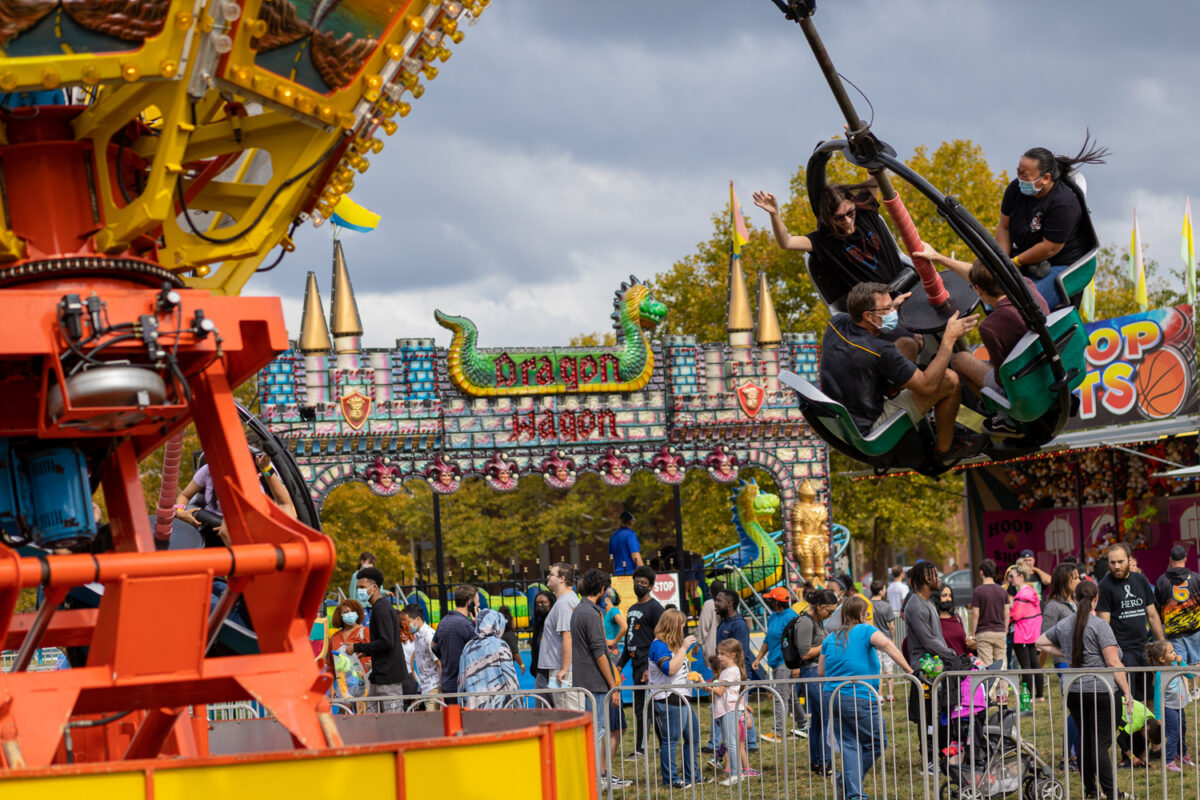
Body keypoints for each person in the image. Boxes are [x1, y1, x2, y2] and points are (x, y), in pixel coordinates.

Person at [819, 282, 982, 465]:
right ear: (868, 315)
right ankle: (944, 450)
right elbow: (928, 387)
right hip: (870, 430)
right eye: (886, 308)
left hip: (846, 412)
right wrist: (948, 339)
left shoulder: (838, 323)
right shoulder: (882, 352)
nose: (891, 312)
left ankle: (893, 389)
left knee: (907, 345)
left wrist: (893, 307)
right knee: (949, 380)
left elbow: (867, 341)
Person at [1037, 580, 1134, 800]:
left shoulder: (1065, 625)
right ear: (1096, 599)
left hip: (1075, 690)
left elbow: (1040, 642)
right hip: (1102, 690)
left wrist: (1068, 654)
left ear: (1075, 599)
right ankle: (1112, 793)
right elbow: (1113, 663)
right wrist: (1127, 692)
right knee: (1100, 744)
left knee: (1085, 740)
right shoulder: (1100, 625)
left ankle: (1091, 791)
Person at [931, 260, 1050, 436]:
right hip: (1046, 369)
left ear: (978, 290)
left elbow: (1002, 379)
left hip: (1021, 387)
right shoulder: (1028, 286)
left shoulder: (990, 326)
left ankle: (1004, 418)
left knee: (960, 360)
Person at [753, 181, 908, 306]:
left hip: (906, 284)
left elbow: (876, 176)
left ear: (854, 204)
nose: (847, 221)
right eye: (839, 218)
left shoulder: (865, 212)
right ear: (828, 218)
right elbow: (786, 242)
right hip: (880, 308)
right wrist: (775, 214)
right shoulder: (824, 241)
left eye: (850, 213)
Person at [820, 596, 915, 800]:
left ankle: (853, 793)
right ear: (862, 615)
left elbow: (821, 671)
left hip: (832, 696)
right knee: (877, 742)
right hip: (859, 696)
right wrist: (909, 670)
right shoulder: (865, 630)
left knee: (849, 745)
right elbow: (888, 645)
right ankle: (847, 783)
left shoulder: (830, 638)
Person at [995, 138, 1108, 309]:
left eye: (1025, 175)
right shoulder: (1014, 190)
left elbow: (1050, 248)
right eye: (1018, 172)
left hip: (1065, 264)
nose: (1020, 179)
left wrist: (1016, 262)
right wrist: (1002, 261)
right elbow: (1004, 227)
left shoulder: (1063, 204)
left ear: (1045, 178)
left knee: (1025, 306)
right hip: (1028, 258)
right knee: (993, 292)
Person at [570, 568, 630, 789]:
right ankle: (594, 781)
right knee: (598, 732)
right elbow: (599, 652)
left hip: (587, 682)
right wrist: (613, 684)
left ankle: (593, 779)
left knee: (595, 732)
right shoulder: (590, 613)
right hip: (595, 683)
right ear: (603, 590)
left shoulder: (579, 610)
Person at [903, 562, 959, 775]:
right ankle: (928, 761)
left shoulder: (927, 603)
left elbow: (937, 638)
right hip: (925, 666)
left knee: (940, 713)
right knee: (927, 717)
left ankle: (942, 755)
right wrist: (951, 654)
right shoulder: (915, 605)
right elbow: (928, 641)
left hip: (935, 663)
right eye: (935, 575)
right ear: (926, 578)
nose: (939, 579)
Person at [1097, 543, 1165, 702]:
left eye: (1120, 561)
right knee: (1128, 699)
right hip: (1122, 652)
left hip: (1144, 648)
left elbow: (1153, 615)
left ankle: (1149, 726)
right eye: (1112, 562)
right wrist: (1111, 655)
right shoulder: (1104, 586)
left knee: (1149, 694)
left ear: (1129, 560)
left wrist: (1161, 643)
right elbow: (1103, 625)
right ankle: (1132, 727)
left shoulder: (1140, 580)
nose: (1116, 566)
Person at [347, 567, 416, 712]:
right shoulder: (379, 608)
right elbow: (384, 642)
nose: (359, 591)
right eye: (358, 587)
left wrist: (358, 648)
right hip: (378, 677)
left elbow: (386, 642)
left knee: (393, 723)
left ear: (374, 588)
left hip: (389, 679)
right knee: (373, 722)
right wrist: (366, 652)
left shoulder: (382, 609)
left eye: (362, 587)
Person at [648, 608, 701, 788]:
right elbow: (669, 670)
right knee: (671, 740)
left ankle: (692, 775)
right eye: (681, 627)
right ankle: (671, 780)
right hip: (669, 698)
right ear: (673, 626)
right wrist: (685, 647)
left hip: (682, 697)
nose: (683, 631)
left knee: (693, 737)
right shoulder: (658, 645)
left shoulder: (673, 645)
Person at [791, 588, 838, 775]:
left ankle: (818, 762)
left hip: (817, 674)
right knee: (827, 719)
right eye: (829, 611)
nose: (830, 615)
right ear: (819, 606)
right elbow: (804, 653)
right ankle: (826, 763)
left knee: (818, 721)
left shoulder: (817, 621)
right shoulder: (805, 622)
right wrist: (828, 644)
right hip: (811, 674)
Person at [618, 564, 664, 757]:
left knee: (648, 708)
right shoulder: (632, 609)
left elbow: (660, 638)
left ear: (651, 586)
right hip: (635, 665)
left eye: (643, 583)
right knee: (642, 708)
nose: (639, 585)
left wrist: (650, 666)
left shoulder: (655, 608)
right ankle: (651, 746)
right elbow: (630, 639)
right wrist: (620, 663)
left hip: (648, 666)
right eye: (637, 582)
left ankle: (649, 747)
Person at [1042, 562, 1081, 769]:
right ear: (1064, 581)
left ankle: (1075, 754)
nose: (1078, 581)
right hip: (1065, 664)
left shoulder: (1074, 602)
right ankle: (1067, 758)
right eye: (1074, 578)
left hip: (1078, 662)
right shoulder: (1053, 606)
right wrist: (1065, 653)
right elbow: (1044, 639)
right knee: (1075, 710)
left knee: (1079, 709)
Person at [703, 639, 758, 786]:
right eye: (719, 653)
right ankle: (735, 772)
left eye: (722, 654)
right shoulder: (727, 671)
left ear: (733, 655)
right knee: (728, 743)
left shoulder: (731, 671)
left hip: (730, 710)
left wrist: (705, 686)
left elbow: (720, 691)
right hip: (726, 710)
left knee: (732, 744)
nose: (719, 657)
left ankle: (736, 774)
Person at [751, 587, 799, 743]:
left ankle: (777, 732)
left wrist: (797, 664)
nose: (768, 601)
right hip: (775, 662)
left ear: (777, 602)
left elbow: (797, 641)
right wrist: (758, 658)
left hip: (786, 662)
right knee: (789, 696)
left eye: (770, 599)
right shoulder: (772, 618)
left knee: (780, 697)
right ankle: (804, 723)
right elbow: (767, 641)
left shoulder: (792, 617)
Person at [458, 607, 520, 709]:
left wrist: (461, 704)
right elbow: (511, 680)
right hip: (498, 705)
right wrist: (518, 705)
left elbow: (461, 681)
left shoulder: (467, 647)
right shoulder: (500, 645)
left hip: (474, 706)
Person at [538, 562, 581, 709]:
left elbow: (567, 636)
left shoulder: (565, 602)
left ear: (562, 578)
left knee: (569, 713)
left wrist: (563, 669)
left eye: (551, 574)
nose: (548, 577)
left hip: (562, 671)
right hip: (561, 668)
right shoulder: (566, 600)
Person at [1148, 640, 1193, 771]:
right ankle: (1169, 761)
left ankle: (1182, 754)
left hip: (1180, 705)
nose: (1175, 653)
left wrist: (1181, 662)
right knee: (1173, 733)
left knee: (1182, 730)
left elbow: (1189, 675)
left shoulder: (1176, 665)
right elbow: (1157, 696)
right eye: (1171, 652)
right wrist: (1158, 716)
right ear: (1162, 659)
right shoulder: (1160, 674)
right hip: (1169, 708)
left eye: (1174, 650)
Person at [432, 584, 478, 704]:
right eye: (477, 602)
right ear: (470, 603)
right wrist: (477, 624)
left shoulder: (443, 621)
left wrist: (445, 657)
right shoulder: (466, 625)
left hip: (448, 684)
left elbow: (433, 645)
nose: (478, 606)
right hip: (463, 686)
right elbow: (479, 651)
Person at [1154, 544, 1200, 666]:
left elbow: (1157, 609)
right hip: (1195, 630)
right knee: (1197, 665)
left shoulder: (1162, 581)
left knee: (1179, 667)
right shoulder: (1196, 578)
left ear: (1170, 559)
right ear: (1185, 559)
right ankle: (1197, 685)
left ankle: (1184, 686)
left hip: (1174, 632)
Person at [1009, 564, 1044, 700]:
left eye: (1012, 576)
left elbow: (1015, 615)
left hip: (1022, 634)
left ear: (1021, 577)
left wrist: (1007, 617)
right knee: (1035, 664)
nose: (1010, 579)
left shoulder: (1021, 595)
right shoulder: (1032, 592)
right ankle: (1039, 695)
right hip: (1032, 634)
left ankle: (1027, 697)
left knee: (1026, 667)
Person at [969, 558, 1010, 667]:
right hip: (1000, 631)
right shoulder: (1002, 591)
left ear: (981, 572)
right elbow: (1007, 612)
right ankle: (1003, 684)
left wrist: (973, 632)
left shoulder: (978, 591)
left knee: (986, 664)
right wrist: (1005, 628)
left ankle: (990, 685)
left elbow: (975, 614)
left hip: (984, 632)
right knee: (1002, 663)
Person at [400, 603, 439, 697]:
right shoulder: (417, 636)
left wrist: (441, 692)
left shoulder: (429, 636)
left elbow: (439, 664)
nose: (406, 625)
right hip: (425, 688)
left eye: (408, 622)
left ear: (417, 619)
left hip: (434, 688)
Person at [869, 580, 898, 702]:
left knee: (877, 669)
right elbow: (891, 625)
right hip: (885, 639)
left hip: (873, 641)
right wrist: (892, 638)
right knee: (888, 668)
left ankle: (879, 695)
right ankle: (890, 695)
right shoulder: (886, 606)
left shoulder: (868, 604)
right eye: (885, 589)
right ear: (880, 591)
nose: (885, 591)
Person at [328, 598, 371, 677]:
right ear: (340, 615)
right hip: (342, 685)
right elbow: (331, 666)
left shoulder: (366, 632)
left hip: (364, 682)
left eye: (353, 611)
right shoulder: (334, 638)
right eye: (346, 612)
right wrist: (331, 687)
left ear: (357, 613)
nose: (350, 614)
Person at [936, 585, 975, 656]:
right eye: (944, 595)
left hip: (963, 663)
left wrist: (973, 646)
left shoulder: (957, 618)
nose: (949, 599)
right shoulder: (934, 621)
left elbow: (963, 644)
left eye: (950, 596)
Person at [608, 510, 643, 576]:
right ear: (631, 522)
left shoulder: (613, 536)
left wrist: (613, 572)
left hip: (617, 574)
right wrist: (644, 571)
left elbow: (611, 558)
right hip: (630, 573)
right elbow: (635, 554)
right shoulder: (630, 534)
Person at [496, 605, 525, 674]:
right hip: (507, 666)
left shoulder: (498, 634)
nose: (514, 624)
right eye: (513, 621)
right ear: (510, 622)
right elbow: (515, 654)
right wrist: (522, 664)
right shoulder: (510, 635)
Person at [529, 590, 553, 671]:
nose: (539, 605)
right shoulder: (539, 624)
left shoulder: (554, 622)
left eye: (543, 603)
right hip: (541, 668)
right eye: (537, 603)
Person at [602, 587, 628, 659]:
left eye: (602, 596)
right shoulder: (604, 612)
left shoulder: (613, 610)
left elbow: (625, 626)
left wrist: (614, 641)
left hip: (612, 650)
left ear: (609, 598)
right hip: (605, 650)